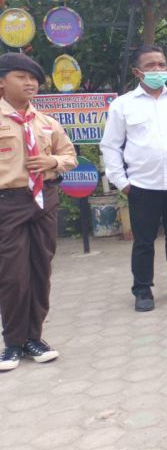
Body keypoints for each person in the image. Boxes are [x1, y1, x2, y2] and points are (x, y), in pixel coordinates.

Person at [101, 45, 167, 312]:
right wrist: (121, 181)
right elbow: (110, 146)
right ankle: (142, 290)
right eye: (150, 66)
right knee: (143, 241)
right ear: (137, 72)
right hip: (142, 185)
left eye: (162, 64)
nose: (158, 70)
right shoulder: (123, 105)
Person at [0, 53, 77, 372]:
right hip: (7, 203)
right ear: (2, 82)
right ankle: (13, 343)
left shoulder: (47, 123)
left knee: (40, 270)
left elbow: (69, 156)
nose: (30, 83)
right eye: (21, 77)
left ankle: (34, 338)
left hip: (44, 199)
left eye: (34, 79)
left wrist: (52, 162)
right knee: (13, 274)